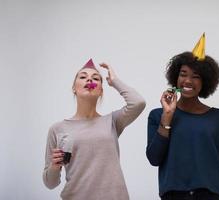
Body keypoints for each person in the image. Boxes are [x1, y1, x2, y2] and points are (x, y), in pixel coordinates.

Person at [146, 34, 219, 200]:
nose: (188, 80)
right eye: (183, 74)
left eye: (196, 76)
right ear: (176, 77)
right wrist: (167, 117)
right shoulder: (157, 115)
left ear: (205, 82)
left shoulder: (218, 117)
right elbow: (154, 158)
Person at [43, 59, 146, 200]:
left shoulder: (112, 121)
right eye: (83, 77)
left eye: (95, 78)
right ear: (74, 88)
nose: (89, 79)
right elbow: (50, 183)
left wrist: (114, 81)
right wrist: (54, 167)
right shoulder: (57, 129)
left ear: (100, 91)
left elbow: (138, 103)